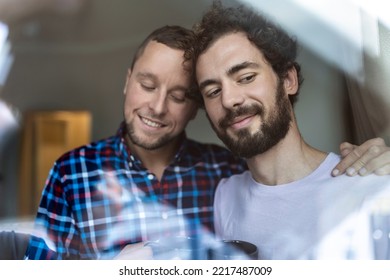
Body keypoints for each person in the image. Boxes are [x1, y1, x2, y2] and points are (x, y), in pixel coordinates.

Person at [24, 24, 389, 260]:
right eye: (147, 85)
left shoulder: (223, 173)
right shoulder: (72, 173)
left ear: (196, 109)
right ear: (128, 80)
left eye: (181, 95)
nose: (157, 105)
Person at [192, 1, 390, 259]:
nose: (228, 100)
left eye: (246, 77)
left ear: (288, 80)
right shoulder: (224, 197)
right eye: (213, 91)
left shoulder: (369, 187)